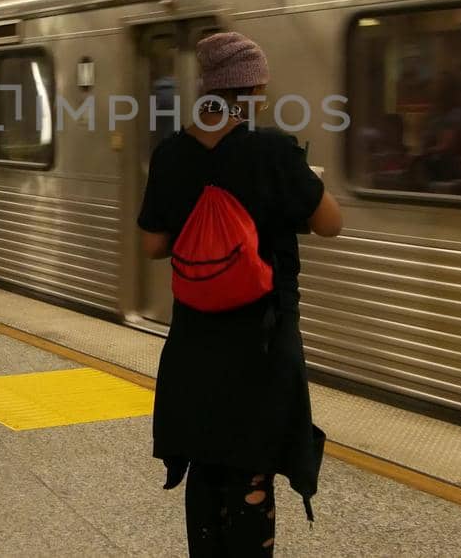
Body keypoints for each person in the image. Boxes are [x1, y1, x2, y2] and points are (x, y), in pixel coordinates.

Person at [138, 31, 344, 556]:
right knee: (252, 472)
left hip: (195, 341)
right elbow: (330, 224)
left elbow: (153, 246)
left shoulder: (171, 155)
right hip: (262, 339)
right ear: (247, 89)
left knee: (206, 465)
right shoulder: (273, 151)